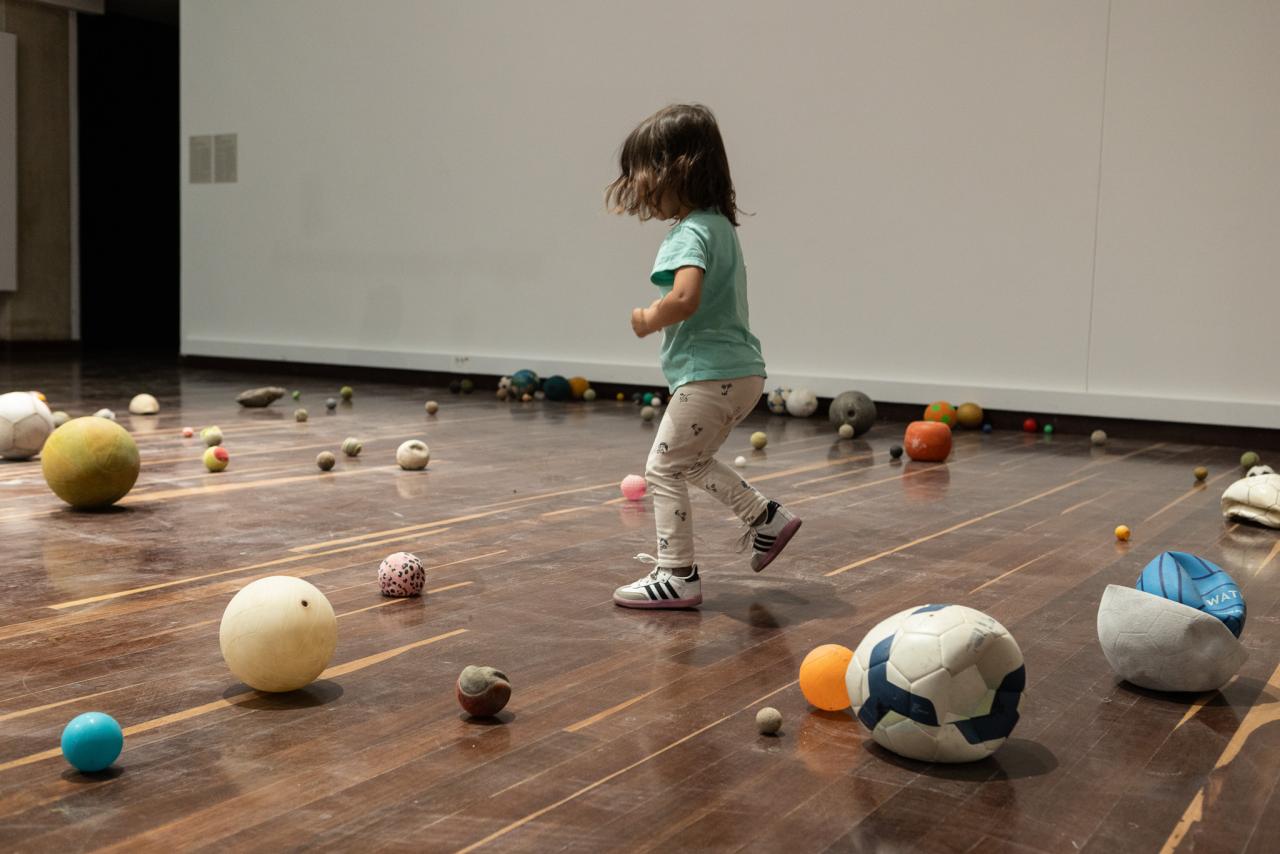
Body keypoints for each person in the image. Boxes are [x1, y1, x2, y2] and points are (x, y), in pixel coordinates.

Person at [605, 103, 802, 609]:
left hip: (706, 377)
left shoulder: (688, 232)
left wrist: (650, 319)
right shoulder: (719, 228)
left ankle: (676, 575)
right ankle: (766, 518)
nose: (641, 189)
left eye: (644, 174)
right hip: (741, 374)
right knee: (691, 462)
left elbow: (686, 297)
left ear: (677, 170)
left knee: (663, 469)